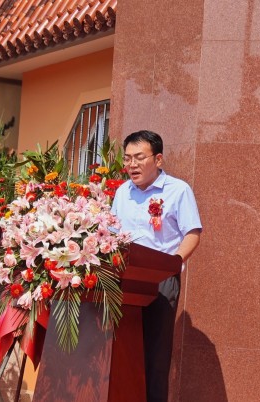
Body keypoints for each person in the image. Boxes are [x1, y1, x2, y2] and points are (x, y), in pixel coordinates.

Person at [111, 130, 202, 402]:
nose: (132, 165)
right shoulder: (121, 192)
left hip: (160, 282)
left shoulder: (178, 190)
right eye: (127, 159)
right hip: (122, 280)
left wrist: (173, 263)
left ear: (158, 159)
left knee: (154, 357)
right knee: (122, 353)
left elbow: (193, 233)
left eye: (139, 158)